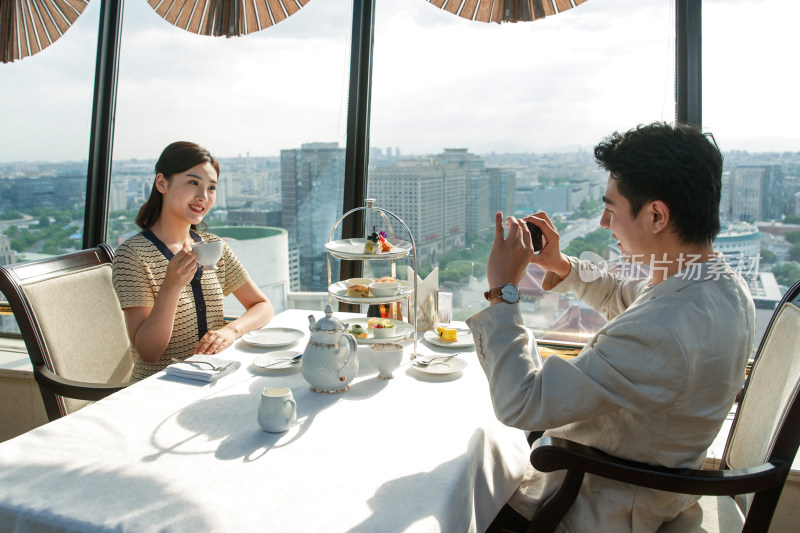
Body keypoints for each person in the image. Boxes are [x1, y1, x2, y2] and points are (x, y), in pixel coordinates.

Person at [467, 122, 755, 531]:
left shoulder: (666, 329)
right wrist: (560, 265)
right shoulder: (718, 284)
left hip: (597, 506)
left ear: (656, 214)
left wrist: (502, 292)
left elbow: (520, 404)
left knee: (465, 483)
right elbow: (628, 295)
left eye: (612, 209)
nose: (603, 222)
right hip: (652, 486)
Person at [112, 141, 274, 381]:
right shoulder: (132, 255)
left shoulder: (212, 246)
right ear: (161, 183)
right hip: (158, 388)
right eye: (193, 183)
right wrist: (171, 286)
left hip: (214, 379)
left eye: (211, 188)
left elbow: (263, 306)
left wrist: (231, 330)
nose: (203, 197)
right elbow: (148, 352)